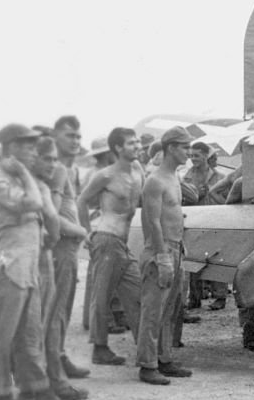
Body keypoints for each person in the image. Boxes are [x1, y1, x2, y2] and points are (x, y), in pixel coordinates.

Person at [0, 124, 71, 400]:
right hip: (8, 265)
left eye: (33, 145)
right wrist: (27, 174)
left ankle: (38, 392)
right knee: (3, 335)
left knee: (28, 331)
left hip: (25, 265)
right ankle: (0, 399)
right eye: (26, 145)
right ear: (9, 148)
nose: (32, 150)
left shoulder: (14, 176)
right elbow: (35, 203)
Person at [77, 127, 144, 366]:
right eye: (130, 143)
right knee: (101, 295)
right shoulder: (105, 175)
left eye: (137, 142)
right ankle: (100, 348)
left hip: (123, 244)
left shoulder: (138, 171)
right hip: (106, 238)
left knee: (138, 294)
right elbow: (82, 200)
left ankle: (146, 352)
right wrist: (87, 232)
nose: (137, 146)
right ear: (117, 148)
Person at [31, 136, 89, 400]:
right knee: (51, 319)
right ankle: (51, 380)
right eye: (47, 158)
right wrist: (80, 231)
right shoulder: (43, 183)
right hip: (51, 252)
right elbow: (52, 219)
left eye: (55, 159)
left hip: (48, 253)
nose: (53, 164)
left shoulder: (48, 178)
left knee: (53, 316)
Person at [136, 127, 195, 385]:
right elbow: (152, 222)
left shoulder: (173, 178)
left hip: (176, 248)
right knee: (153, 311)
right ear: (171, 148)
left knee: (170, 308)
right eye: (185, 147)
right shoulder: (155, 180)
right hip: (160, 250)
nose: (189, 153)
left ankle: (164, 358)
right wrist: (161, 257)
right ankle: (147, 365)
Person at [44, 116, 92, 381]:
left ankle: (58, 356)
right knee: (55, 308)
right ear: (55, 136)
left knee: (63, 307)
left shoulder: (70, 170)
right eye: (69, 136)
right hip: (60, 246)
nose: (75, 141)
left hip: (70, 248)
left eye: (78, 136)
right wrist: (81, 231)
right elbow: (50, 213)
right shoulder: (56, 169)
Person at [184, 141, 228, 311]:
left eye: (196, 155)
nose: (193, 159)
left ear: (205, 156)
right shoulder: (186, 177)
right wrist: (194, 196)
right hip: (195, 222)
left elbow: (228, 202)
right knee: (193, 260)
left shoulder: (220, 177)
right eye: (191, 156)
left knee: (218, 258)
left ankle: (220, 297)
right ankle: (194, 298)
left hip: (217, 221)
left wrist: (211, 194)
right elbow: (182, 202)